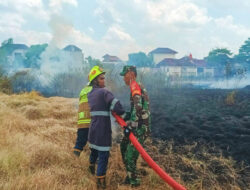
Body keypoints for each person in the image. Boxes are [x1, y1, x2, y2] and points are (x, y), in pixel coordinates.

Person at [87, 66, 125, 189]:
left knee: (94, 150)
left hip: (93, 129)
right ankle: (100, 184)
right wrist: (123, 114)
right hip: (102, 129)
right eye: (102, 78)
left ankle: (90, 170)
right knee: (103, 156)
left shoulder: (90, 94)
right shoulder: (104, 92)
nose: (104, 80)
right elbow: (117, 107)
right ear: (95, 81)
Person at [120, 65, 151, 187]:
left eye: (125, 75)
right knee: (123, 147)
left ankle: (134, 183)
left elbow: (138, 109)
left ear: (131, 74)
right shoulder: (135, 86)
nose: (123, 79)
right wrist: (123, 115)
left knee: (130, 155)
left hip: (141, 128)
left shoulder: (135, 86)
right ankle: (130, 175)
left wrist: (130, 127)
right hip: (138, 126)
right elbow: (135, 109)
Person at [73, 84, 92, 157]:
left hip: (81, 122)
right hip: (91, 121)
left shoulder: (83, 91)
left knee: (79, 143)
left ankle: (74, 159)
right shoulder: (95, 90)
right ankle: (94, 163)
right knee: (96, 143)